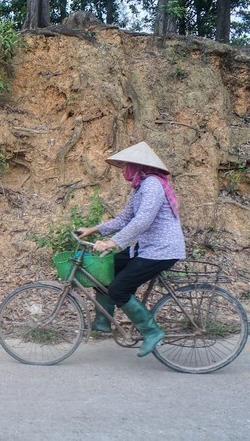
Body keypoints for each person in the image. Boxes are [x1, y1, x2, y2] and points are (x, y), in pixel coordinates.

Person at [76, 142, 186, 357]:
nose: (125, 169)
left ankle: (152, 332)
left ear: (138, 166)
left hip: (161, 250)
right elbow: (126, 218)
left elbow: (142, 221)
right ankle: (103, 321)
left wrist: (113, 242)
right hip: (145, 247)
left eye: (128, 165)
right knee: (105, 269)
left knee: (119, 288)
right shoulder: (140, 187)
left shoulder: (153, 185)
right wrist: (94, 229)